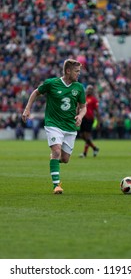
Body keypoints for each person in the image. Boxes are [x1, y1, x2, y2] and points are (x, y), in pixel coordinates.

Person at [22, 59, 86, 194]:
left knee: (65, 159)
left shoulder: (79, 88)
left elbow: (83, 107)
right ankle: (56, 185)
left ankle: (54, 161)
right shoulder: (52, 83)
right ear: (68, 71)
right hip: (53, 124)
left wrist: (80, 116)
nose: (78, 74)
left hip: (70, 126)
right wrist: (27, 109)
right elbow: (35, 92)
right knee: (56, 151)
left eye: (79, 71)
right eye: (76, 71)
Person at [79, 84, 100, 158]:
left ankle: (84, 153)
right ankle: (95, 148)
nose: (89, 90)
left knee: (87, 136)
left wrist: (98, 122)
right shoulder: (83, 98)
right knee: (82, 136)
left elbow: (97, 111)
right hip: (83, 118)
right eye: (88, 89)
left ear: (92, 91)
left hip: (89, 118)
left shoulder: (94, 99)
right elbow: (79, 107)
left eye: (90, 89)